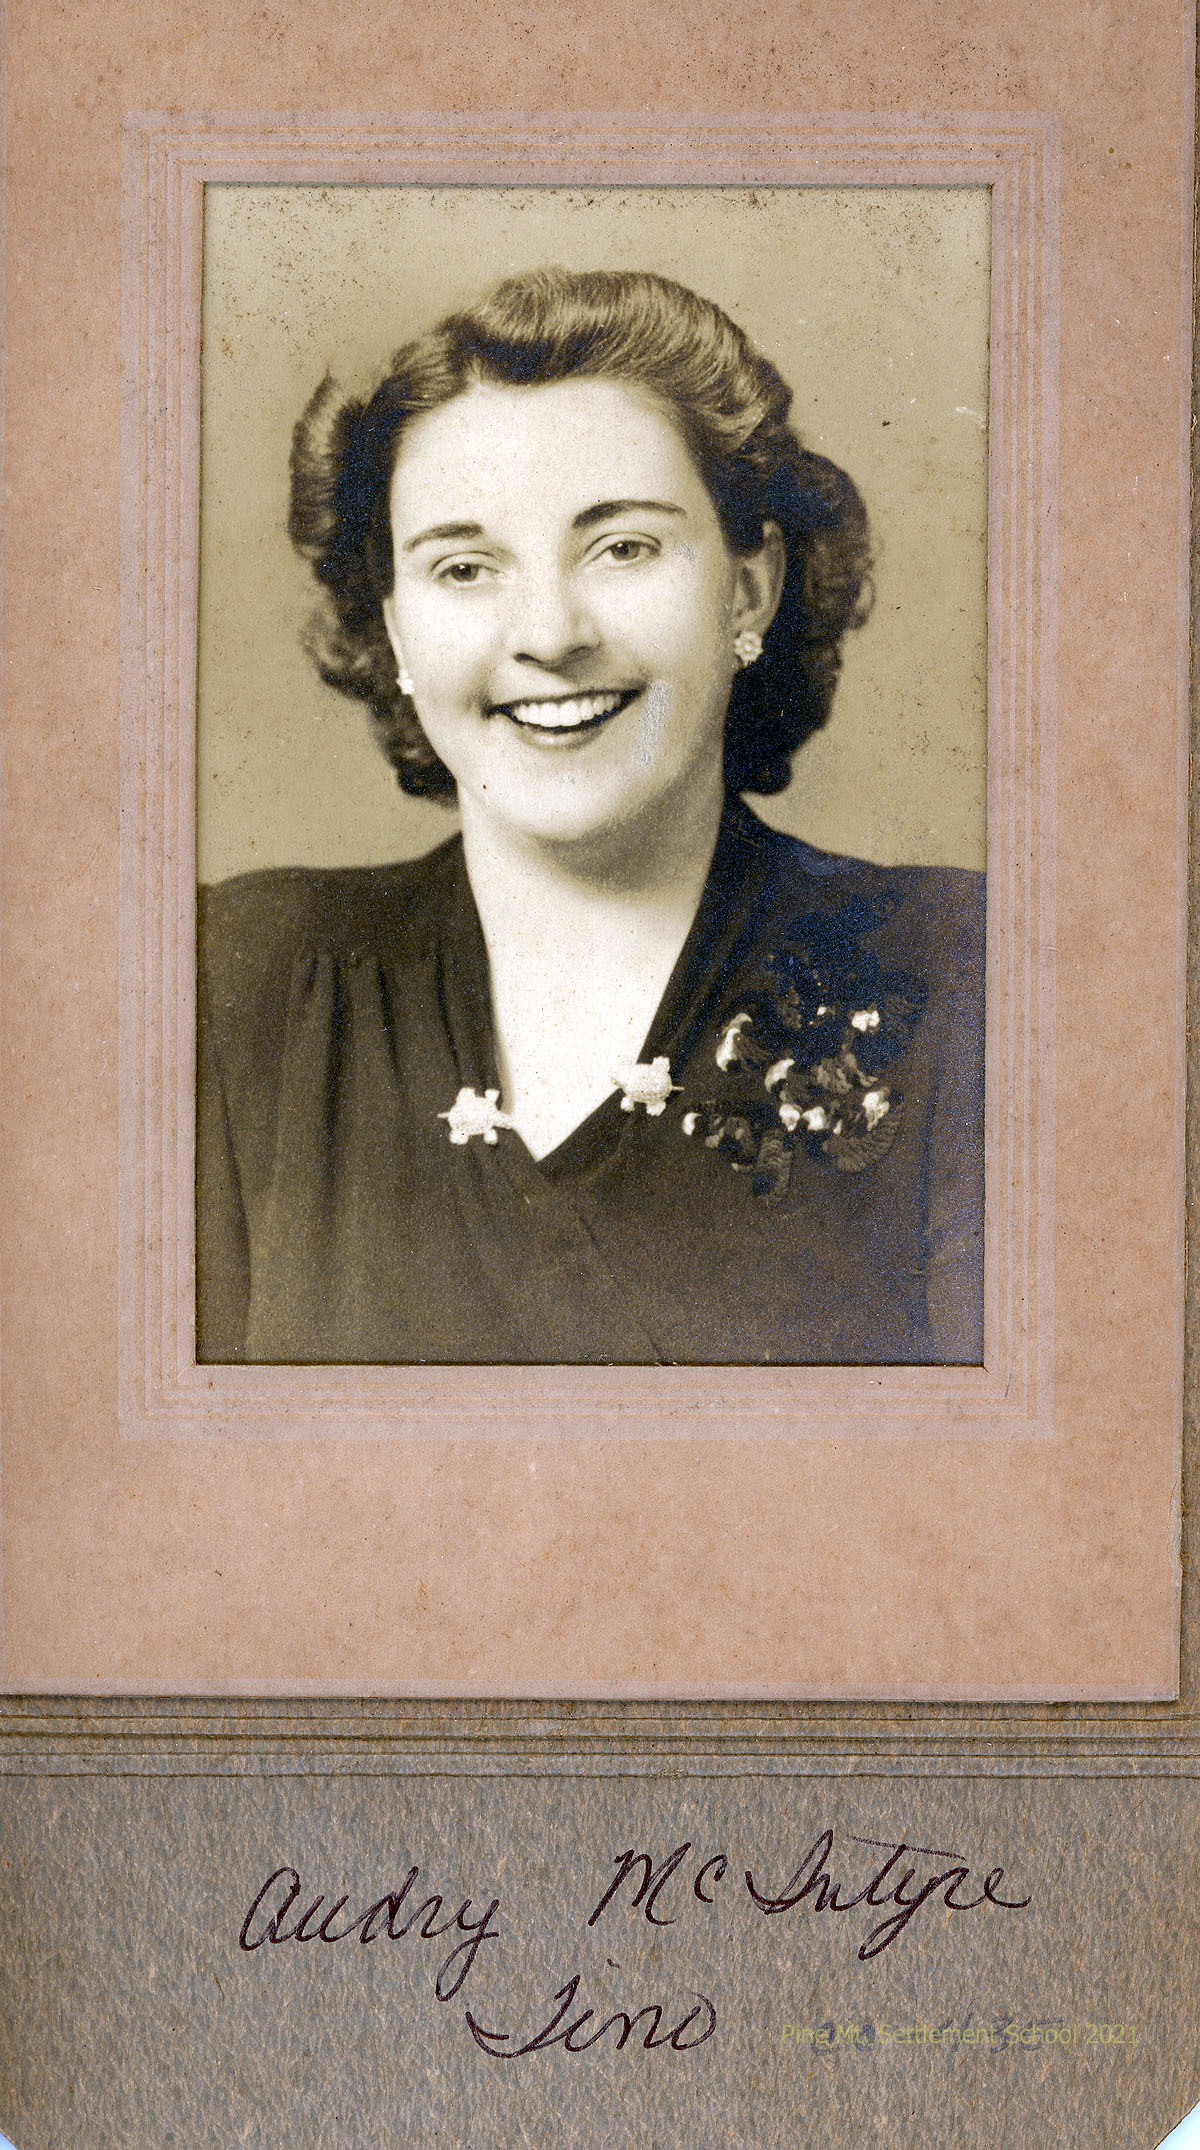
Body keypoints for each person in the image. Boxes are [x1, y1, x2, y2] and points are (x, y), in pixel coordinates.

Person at [197, 266, 984, 1366]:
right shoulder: (231, 985)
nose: (549, 634)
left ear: (749, 588)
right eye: (464, 566)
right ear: (398, 628)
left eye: (623, 547)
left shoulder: (968, 976)